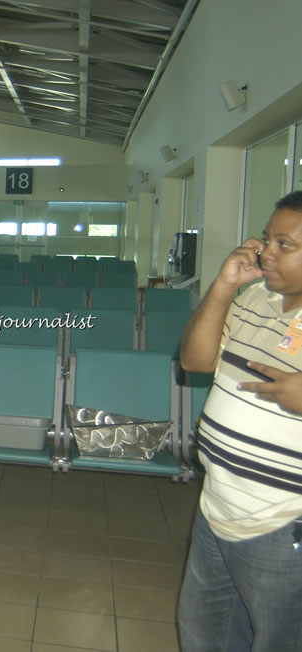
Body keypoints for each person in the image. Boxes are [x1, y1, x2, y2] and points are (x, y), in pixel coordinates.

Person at [178, 191, 302, 651]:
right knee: (204, 636)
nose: (265, 253)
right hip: (218, 508)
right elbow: (194, 361)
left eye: (285, 245)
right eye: (267, 239)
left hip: (283, 524)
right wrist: (224, 287)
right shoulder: (255, 298)